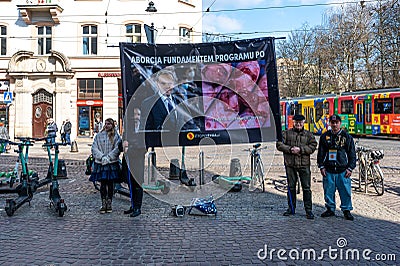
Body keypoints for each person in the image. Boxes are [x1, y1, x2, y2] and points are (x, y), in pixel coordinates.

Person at [276, 114, 318, 219]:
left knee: (306, 188)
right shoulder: (286, 133)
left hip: (304, 165)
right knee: (291, 187)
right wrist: (290, 149)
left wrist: (301, 150)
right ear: (293, 123)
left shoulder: (308, 135)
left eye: (300, 122)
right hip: (290, 165)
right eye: (296, 122)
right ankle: (291, 209)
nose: (298, 124)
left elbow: (313, 146)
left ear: (303, 123)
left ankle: (308, 210)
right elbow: (279, 144)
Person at [317, 114, 356, 221]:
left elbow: (352, 154)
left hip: (343, 170)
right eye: (332, 122)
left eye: (336, 122)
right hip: (328, 170)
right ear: (330, 123)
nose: (334, 124)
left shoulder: (347, 137)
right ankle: (330, 209)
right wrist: (321, 166)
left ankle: (346, 210)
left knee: (345, 192)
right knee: (328, 191)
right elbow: (321, 153)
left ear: (340, 123)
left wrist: (350, 168)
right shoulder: (324, 137)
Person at [89, 118, 122, 214]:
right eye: (106, 124)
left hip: (111, 163)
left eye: (109, 124)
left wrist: (109, 157)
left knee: (111, 184)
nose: (107, 125)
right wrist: (102, 157)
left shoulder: (116, 136)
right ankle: (103, 203)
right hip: (101, 163)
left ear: (112, 125)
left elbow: (117, 148)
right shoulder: (99, 135)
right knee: (103, 184)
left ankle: (109, 203)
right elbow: (94, 148)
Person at [121, 107, 147, 217]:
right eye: (134, 114)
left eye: (137, 114)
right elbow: (122, 141)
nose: (135, 117)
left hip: (138, 159)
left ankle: (137, 207)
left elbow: (144, 146)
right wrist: (123, 144)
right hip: (128, 160)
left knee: (137, 184)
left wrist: (130, 148)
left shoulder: (143, 128)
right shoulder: (129, 128)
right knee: (130, 183)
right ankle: (132, 205)